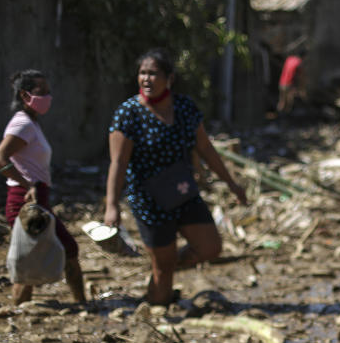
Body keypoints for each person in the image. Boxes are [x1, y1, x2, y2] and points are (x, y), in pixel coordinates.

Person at [105, 48, 248, 305]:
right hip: (149, 201)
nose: (146, 79)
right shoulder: (128, 114)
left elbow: (205, 148)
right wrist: (111, 206)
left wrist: (232, 183)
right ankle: (158, 309)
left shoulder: (185, 108)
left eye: (153, 73)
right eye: (142, 73)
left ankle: (165, 267)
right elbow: (118, 162)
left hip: (183, 192)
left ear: (169, 78)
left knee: (210, 247)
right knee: (162, 281)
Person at [0, 69, 86, 305]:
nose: (48, 98)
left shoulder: (31, 123)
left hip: (36, 198)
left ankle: (22, 313)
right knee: (63, 250)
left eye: (48, 92)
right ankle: (82, 305)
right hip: (26, 200)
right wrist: (28, 184)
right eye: (41, 92)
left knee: (31, 257)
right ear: (25, 95)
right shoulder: (22, 124)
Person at [277, 48, 307, 114]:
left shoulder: (289, 59)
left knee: (282, 102)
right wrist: (301, 89)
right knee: (289, 104)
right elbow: (300, 77)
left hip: (282, 82)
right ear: (304, 56)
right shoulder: (299, 62)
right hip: (289, 85)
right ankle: (285, 119)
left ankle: (278, 117)